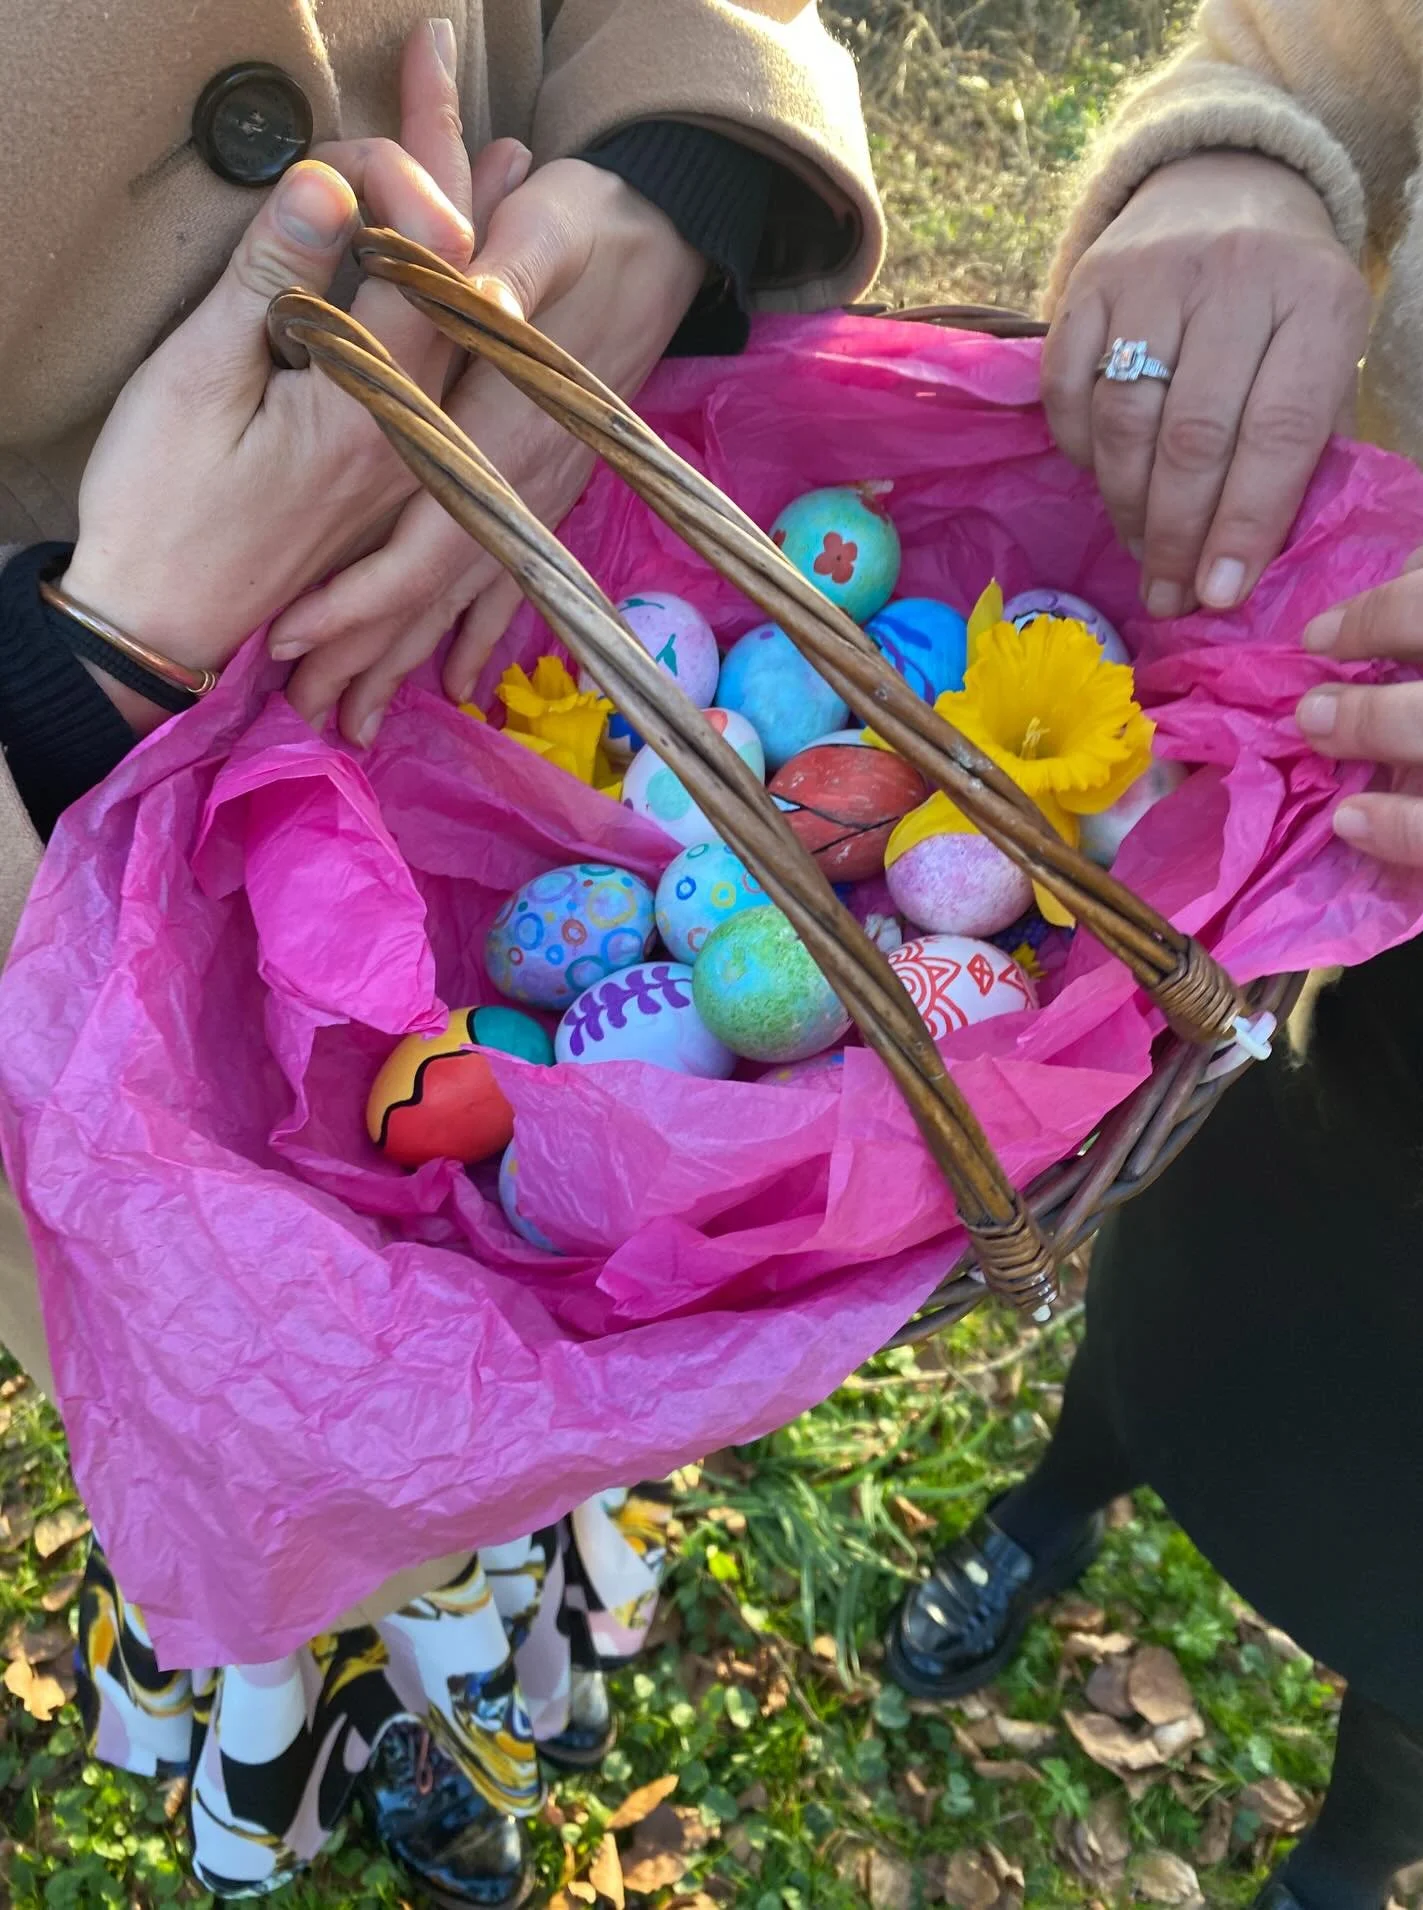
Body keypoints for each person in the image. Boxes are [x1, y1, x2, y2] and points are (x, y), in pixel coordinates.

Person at [0, 4, 882, 1901]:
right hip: (60, 880)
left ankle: (467, 1627)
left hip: (534, 582)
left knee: (506, 1287)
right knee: (252, 1387)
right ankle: (280, 1653)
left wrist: (671, 167)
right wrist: (83, 672)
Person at [886, 6, 1423, 1908]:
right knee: (1198, 1263)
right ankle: (1059, 1504)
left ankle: (1363, 1842)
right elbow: (1322, 42)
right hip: (1350, 867)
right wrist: (1245, 153)